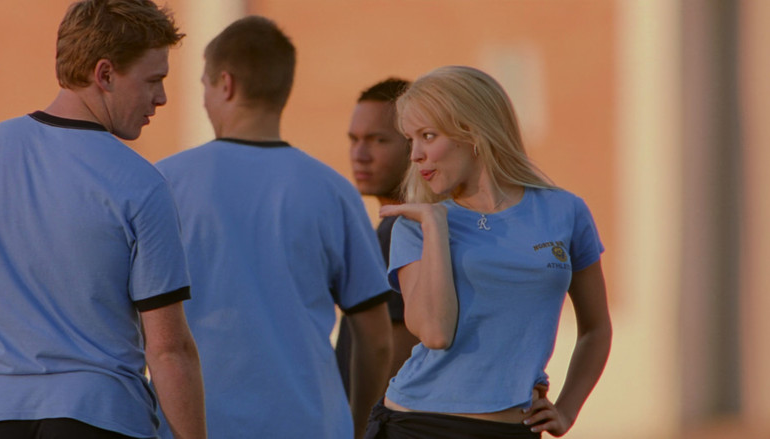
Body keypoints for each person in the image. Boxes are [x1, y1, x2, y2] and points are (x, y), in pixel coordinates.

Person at [155, 16, 392, 439]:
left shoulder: (163, 184)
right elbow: (375, 341)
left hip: (195, 426)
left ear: (225, 84)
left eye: (205, 85)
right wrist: (357, 428)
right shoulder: (333, 191)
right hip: (312, 426)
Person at [0, 1, 206, 438]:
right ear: (105, 75)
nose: (162, 98)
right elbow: (169, 350)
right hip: (100, 416)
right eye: (153, 80)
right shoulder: (141, 183)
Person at [365, 65, 612, 439]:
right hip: (417, 425)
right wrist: (435, 226)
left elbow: (595, 327)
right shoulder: (416, 224)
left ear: (473, 132)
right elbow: (434, 333)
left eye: (428, 136)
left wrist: (567, 410)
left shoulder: (566, 212)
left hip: (515, 429)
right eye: (410, 139)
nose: (415, 155)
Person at [337, 78, 419, 393]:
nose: (360, 154)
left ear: (415, 145)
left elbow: (395, 361)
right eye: (354, 139)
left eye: (378, 140)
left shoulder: (404, 231)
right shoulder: (393, 227)